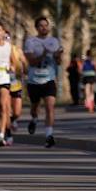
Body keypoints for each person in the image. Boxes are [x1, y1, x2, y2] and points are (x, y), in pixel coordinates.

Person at [23, 16, 62, 147]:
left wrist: (58, 56)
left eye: (46, 25)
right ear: (36, 28)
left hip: (49, 80)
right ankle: (34, 119)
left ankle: (49, 135)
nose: (44, 28)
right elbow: (31, 61)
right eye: (41, 26)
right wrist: (44, 54)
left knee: (50, 107)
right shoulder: (30, 42)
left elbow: (59, 62)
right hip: (34, 80)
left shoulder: (54, 41)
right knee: (35, 107)